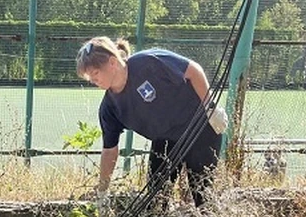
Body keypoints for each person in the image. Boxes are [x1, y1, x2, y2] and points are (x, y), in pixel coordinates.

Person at [76, 36, 228, 207]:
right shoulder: (110, 108)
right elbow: (110, 150)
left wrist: (211, 108)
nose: (93, 81)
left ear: (112, 62)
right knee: (156, 202)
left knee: (202, 198)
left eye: (95, 73)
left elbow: (193, 70)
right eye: (89, 77)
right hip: (166, 140)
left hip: (200, 129)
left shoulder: (148, 62)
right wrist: (102, 192)